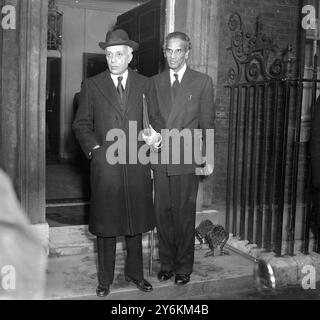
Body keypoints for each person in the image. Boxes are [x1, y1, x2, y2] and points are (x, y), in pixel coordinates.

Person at [72, 29, 163, 297]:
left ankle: (135, 274)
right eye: (109, 55)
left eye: (119, 54)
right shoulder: (92, 85)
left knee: (135, 224)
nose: (113, 60)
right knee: (107, 225)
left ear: (130, 56)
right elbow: (81, 125)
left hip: (136, 164)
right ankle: (105, 279)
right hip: (106, 167)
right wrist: (95, 150)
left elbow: (156, 119)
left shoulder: (146, 84)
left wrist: (155, 137)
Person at [150, 31, 215, 285]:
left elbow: (207, 123)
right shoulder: (155, 82)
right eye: (169, 50)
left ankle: (183, 266)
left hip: (187, 158)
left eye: (179, 51)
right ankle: (166, 263)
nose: (173, 56)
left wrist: (207, 159)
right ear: (164, 52)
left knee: (183, 216)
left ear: (187, 52)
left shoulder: (202, 81)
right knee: (162, 215)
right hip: (161, 157)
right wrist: (152, 137)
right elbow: (153, 117)